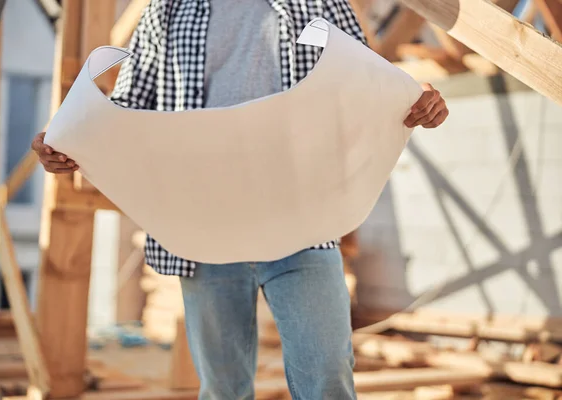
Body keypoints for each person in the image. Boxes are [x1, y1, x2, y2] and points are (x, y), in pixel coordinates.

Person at [32, 1, 449, 398]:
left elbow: (368, 80)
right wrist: (74, 143)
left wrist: (413, 95)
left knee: (326, 378)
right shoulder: (169, 8)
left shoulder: (315, 1)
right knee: (223, 390)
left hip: (302, 219)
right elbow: (128, 108)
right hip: (204, 229)